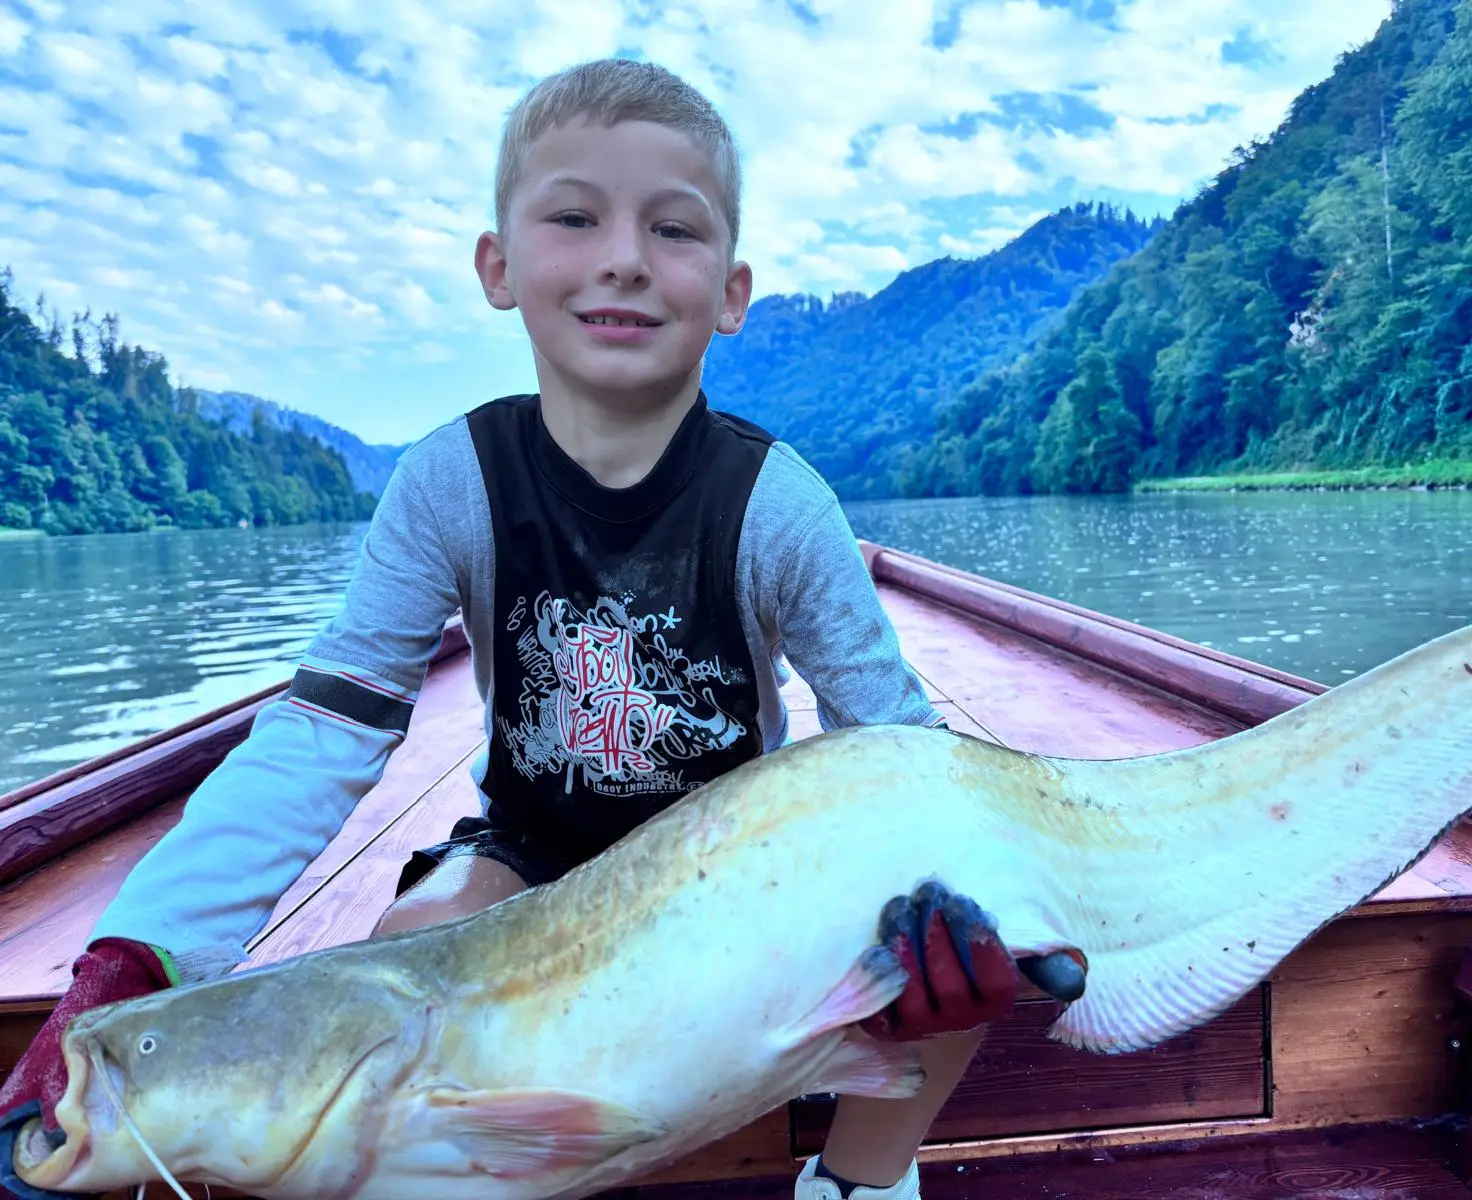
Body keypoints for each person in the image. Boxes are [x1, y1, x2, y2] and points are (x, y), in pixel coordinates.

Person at [0, 59, 1028, 1200]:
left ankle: (861, 1179)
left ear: (732, 292)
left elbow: (904, 754)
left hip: (739, 883)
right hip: (531, 861)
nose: (624, 257)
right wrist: (136, 951)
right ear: (500, 267)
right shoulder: (449, 481)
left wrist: (953, 901)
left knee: (945, 939)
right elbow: (320, 735)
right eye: (575, 216)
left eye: (672, 228)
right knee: (407, 948)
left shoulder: (779, 504)